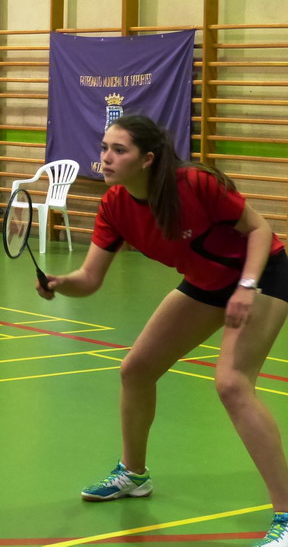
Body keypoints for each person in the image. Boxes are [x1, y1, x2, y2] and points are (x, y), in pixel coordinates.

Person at [36, 115, 288, 547]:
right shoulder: (114, 205)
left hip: (261, 274)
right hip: (206, 282)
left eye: (119, 150)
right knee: (136, 369)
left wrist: (247, 286)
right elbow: (90, 278)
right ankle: (134, 474)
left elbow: (260, 230)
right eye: (104, 148)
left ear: (147, 159)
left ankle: (286, 513)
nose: (106, 158)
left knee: (231, 383)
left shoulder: (195, 183)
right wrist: (61, 284)